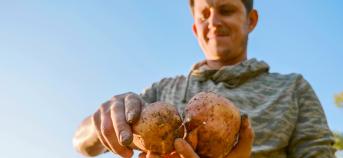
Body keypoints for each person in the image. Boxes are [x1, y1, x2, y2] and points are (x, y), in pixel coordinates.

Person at [73, 0, 336, 157]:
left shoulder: (292, 89)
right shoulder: (163, 90)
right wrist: (100, 126)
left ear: (251, 20)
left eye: (226, 10)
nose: (214, 22)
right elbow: (82, 144)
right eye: (204, 15)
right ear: (195, 28)